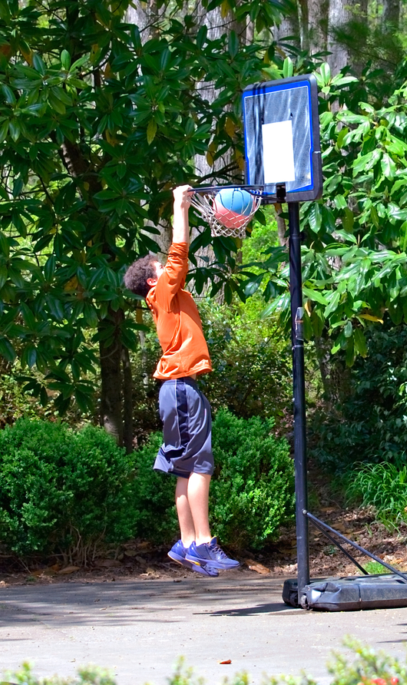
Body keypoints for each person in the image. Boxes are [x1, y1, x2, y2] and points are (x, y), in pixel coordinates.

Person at [123, 184, 239, 577]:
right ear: (154, 282)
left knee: (183, 468)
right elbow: (179, 248)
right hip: (183, 387)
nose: (167, 267)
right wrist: (179, 204)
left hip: (173, 390)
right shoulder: (165, 292)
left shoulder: (163, 300)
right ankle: (204, 544)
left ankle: (187, 543)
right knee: (200, 465)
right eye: (161, 269)